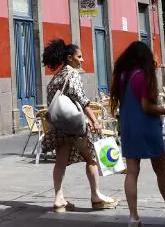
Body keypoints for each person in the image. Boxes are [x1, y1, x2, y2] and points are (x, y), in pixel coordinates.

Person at [42, 39, 119, 212]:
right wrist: (95, 121)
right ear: (70, 58)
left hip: (60, 126)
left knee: (60, 162)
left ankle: (59, 198)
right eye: (79, 56)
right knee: (91, 158)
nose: (82, 60)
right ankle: (96, 196)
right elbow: (82, 100)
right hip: (76, 127)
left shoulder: (57, 77)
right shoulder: (72, 74)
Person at [110, 40, 165, 227]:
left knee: (131, 172)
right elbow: (146, 107)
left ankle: (133, 217)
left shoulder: (122, 76)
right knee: (160, 170)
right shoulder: (142, 76)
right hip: (147, 127)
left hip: (129, 127)